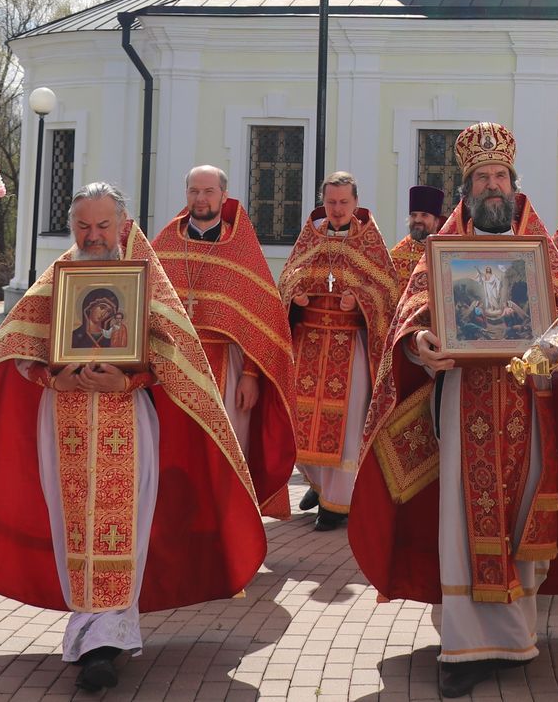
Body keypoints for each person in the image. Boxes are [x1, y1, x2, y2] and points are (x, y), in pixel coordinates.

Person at [0, 183, 264, 694]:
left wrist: (129, 380)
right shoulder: (60, 278)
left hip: (127, 419)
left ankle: (105, 641)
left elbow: (174, 355)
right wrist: (53, 378)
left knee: (124, 525)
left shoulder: (144, 276)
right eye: (83, 227)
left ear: (122, 223)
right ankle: (93, 634)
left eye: (103, 226)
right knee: (71, 524)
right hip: (62, 420)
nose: (93, 237)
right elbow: (19, 347)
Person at [349, 123, 558, 698]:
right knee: (459, 514)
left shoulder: (537, 244)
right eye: (482, 178)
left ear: (513, 181)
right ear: (468, 187)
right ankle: (465, 645)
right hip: (461, 400)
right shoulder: (444, 245)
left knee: (520, 511)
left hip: (529, 403)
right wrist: (419, 344)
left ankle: (512, 636)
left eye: (499, 175)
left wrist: (555, 343)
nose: (492, 185)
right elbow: (414, 311)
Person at [150, 164, 297, 519]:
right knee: (172, 448)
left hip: (225, 366)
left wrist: (251, 375)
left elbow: (261, 319)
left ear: (223, 196)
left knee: (227, 450)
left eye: (208, 192)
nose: (201, 199)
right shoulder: (165, 243)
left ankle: (226, 529)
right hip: (170, 365)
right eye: (194, 192)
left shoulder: (240, 247)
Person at [277, 171, 398, 532]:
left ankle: (338, 504)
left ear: (355, 202)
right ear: (323, 201)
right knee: (302, 423)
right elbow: (288, 277)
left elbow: (386, 291)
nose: (337, 208)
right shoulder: (309, 236)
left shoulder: (370, 241)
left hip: (350, 347)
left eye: (344, 202)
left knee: (345, 428)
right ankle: (320, 483)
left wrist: (359, 299)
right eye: (331, 202)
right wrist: (294, 297)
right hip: (311, 342)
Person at [391, 184, 446, 286]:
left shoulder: (445, 251)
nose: (417, 220)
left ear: (436, 222)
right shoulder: (397, 254)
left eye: (424, 215)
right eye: (413, 215)